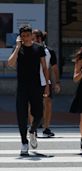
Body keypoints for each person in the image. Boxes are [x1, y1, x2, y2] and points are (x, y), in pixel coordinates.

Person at [7, 24, 50, 156]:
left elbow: (44, 67)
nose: (26, 38)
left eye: (28, 35)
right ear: (20, 37)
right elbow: (10, 63)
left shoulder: (39, 48)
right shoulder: (18, 49)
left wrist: (47, 84)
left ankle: (32, 131)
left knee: (39, 114)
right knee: (21, 115)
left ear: (32, 35)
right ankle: (24, 142)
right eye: (23, 36)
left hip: (36, 86)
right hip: (22, 87)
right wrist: (18, 46)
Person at [32, 29, 61, 137]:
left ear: (39, 39)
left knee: (47, 104)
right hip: (32, 81)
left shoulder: (49, 51)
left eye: (33, 38)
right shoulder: (29, 50)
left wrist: (57, 82)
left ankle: (46, 128)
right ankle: (33, 129)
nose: (31, 40)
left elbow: (54, 68)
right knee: (32, 105)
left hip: (45, 80)